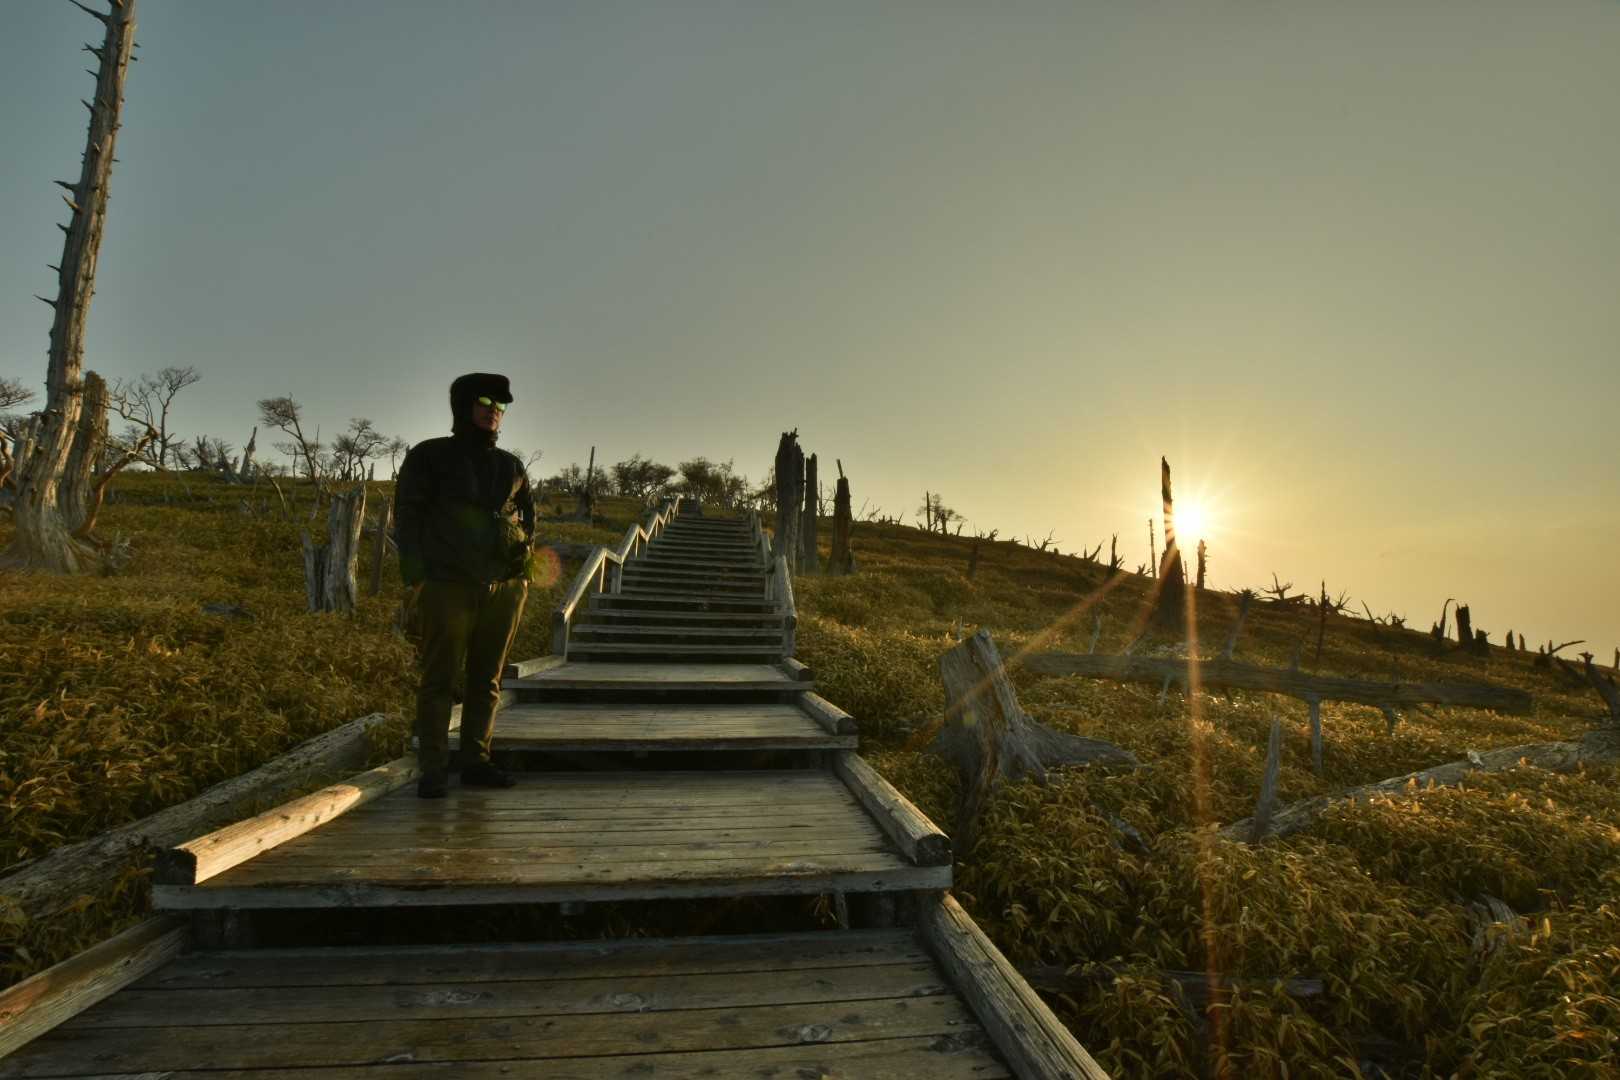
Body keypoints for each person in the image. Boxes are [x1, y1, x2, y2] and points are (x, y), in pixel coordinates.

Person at [394, 372, 535, 798]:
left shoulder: (511, 465)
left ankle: (476, 761)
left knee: (487, 678)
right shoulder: (429, 455)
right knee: (439, 678)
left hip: (504, 589)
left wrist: (521, 572)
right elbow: (408, 516)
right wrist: (416, 577)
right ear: (463, 405)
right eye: (486, 402)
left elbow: (529, 519)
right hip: (447, 585)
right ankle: (433, 768)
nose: (495, 411)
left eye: (502, 406)